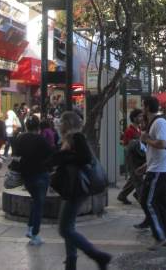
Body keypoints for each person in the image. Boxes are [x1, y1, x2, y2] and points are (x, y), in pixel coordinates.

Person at [53, 111, 112, 270]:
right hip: (73, 187)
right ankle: (71, 262)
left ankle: (98, 256)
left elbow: (85, 158)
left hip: (77, 188)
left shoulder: (77, 137)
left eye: (62, 122)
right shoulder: (70, 139)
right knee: (68, 226)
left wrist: (65, 155)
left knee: (64, 229)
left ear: (68, 124)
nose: (59, 124)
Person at [14, 115, 54, 245]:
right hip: (40, 174)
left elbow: (16, 154)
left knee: (36, 201)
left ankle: (30, 228)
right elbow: (51, 154)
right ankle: (35, 233)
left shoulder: (20, 138)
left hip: (26, 175)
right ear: (38, 127)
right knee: (39, 204)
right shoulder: (41, 140)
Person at [139, 96, 166, 250]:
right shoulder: (155, 123)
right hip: (156, 168)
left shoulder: (159, 122)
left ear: (146, 106)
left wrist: (147, 140)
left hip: (158, 171)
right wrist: (146, 165)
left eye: (142, 105)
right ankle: (165, 233)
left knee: (148, 201)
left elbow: (162, 144)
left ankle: (159, 236)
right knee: (159, 203)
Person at [117, 108, 142, 205]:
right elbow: (126, 144)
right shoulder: (129, 130)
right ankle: (141, 196)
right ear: (134, 118)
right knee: (138, 178)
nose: (141, 118)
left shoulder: (139, 129)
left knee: (134, 178)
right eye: (139, 116)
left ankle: (122, 195)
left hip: (138, 157)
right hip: (132, 158)